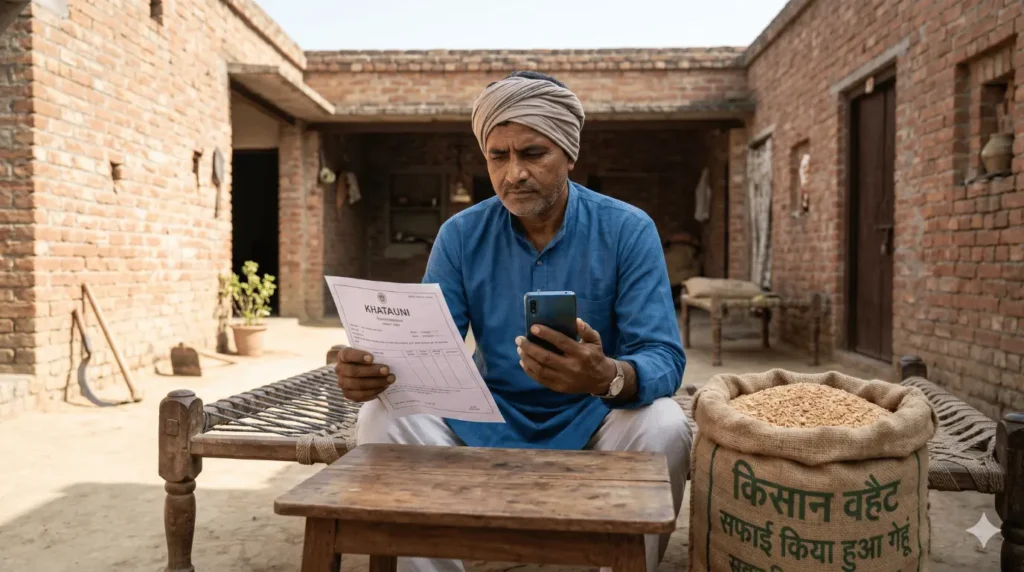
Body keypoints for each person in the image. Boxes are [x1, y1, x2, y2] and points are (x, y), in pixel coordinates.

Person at [335, 70, 692, 572]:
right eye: (498, 156)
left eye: (532, 153)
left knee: (666, 426)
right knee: (380, 416)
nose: (513, 173)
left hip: (593, 418)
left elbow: (663, 357)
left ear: (568, 154)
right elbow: (428, 345)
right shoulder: (460, 234)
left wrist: (607, 375)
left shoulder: (627, 229)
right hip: (485, 415)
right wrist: (373, 370)